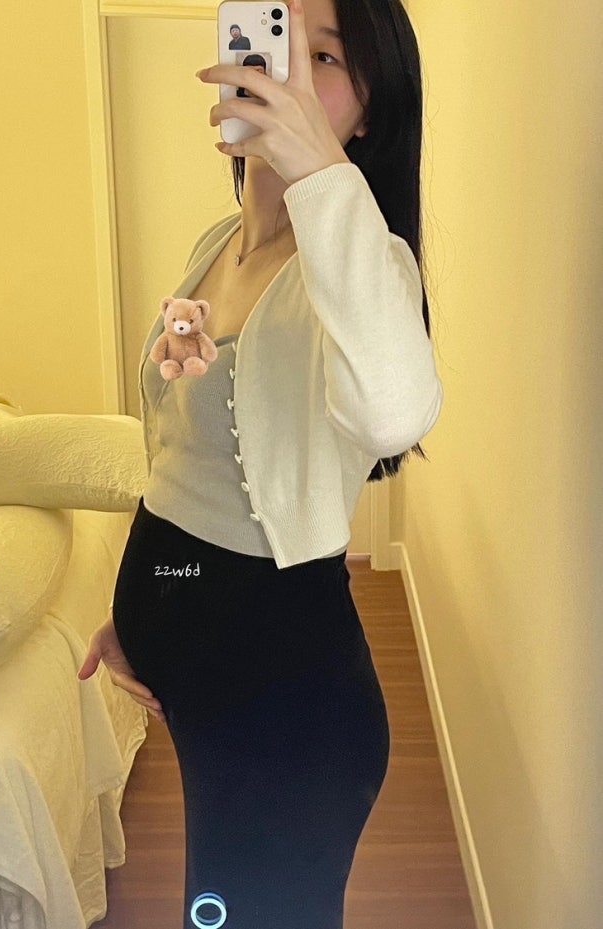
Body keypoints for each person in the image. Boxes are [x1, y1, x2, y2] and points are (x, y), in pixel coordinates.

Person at [79, 0, 443, 926]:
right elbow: (184, 461)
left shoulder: (365, 267)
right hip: (202, 683)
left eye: (323, 58)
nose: (283, 75)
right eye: (276, 43)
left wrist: (319, 173)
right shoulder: (217, 244)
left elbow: (396, 414)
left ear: (368, 111)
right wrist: (145, 606)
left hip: (288, 710)